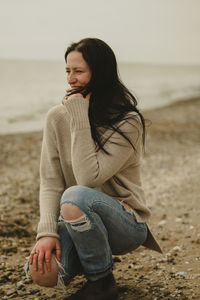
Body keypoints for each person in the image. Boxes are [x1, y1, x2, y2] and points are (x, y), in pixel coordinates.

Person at [25, 38, 162, 300]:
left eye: (79, 71)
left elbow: (88, 178)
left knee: (76, 195)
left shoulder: (128, 120)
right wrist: (47, 233)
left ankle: (101, 282)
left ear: (99, 73)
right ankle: (92, 264)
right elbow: (51, 182)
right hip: (78, 220)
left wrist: (78, 114)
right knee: (42, 272)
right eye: (68, 71)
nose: (71, 80)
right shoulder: (56, 117)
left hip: (125, 224)